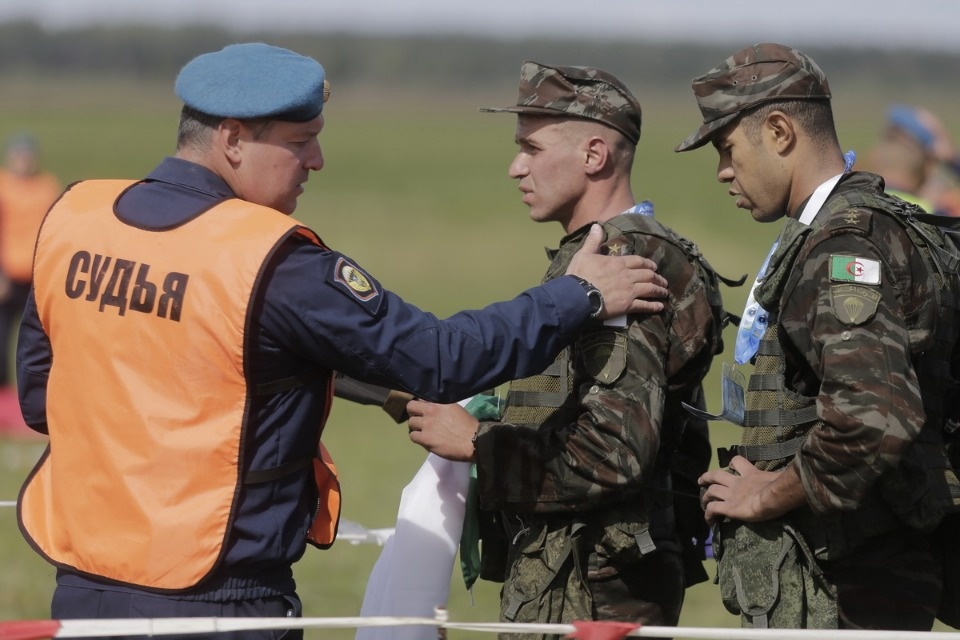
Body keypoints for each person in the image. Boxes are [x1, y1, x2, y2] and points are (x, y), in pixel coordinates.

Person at [14, 43, 671, 639]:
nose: (318, 161)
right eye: (302, 142)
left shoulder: (76, 216)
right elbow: (441, 359)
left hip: (84, 588)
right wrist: (578, 294)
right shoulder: (273, 263)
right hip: (217, 599)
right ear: (235, 139)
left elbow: (47, 400)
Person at [406, 61, 730, 635]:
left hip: (596, 589)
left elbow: (614, 452)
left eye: (531, 148)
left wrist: (479, 444)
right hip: (570, 577)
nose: (515, 168)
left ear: (594, 155)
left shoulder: (624, 262)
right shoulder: (597, 256)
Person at [676, 43, 960, 630]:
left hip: (849, 582)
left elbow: (875, 414)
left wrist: (769, 493)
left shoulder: (842, 245)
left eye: (728, 149)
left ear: (779, 131)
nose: (723, 172)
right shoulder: (870, 223)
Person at [0, 133, 60, 388]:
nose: (23, 160)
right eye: (19, 155)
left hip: (37, 275)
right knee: (2, 337)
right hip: (7, 274)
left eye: (27, 155)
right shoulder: (2, 185)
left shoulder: (46, 186)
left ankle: (31, 392)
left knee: (34, 341)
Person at [860, 104, 960, 216]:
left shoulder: (852, 205)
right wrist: (954, 161)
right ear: (928, 167)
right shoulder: (936, 218)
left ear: (874, 156)